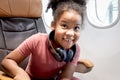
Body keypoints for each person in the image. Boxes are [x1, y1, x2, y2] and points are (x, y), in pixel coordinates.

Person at [1, 0, 86, 80]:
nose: (70, 33)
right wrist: (19, 73)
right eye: (64, 26)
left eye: (76, 28)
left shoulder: (74, 50)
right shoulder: (37, 40)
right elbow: (7, 61)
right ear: (53, 25)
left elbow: (65, 77)